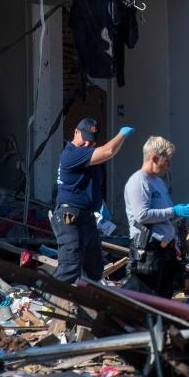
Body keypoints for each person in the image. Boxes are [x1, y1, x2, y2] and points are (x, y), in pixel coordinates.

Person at [53, 117, 134, 283]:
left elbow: (107, 156)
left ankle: (87, 305)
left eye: (91, 142)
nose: (87, 144)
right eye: (84, 139)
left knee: (94, 267)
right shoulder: (71, 154)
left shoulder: (87, 157)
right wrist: (121, 135)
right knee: (70, 264)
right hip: (70, 217)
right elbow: (108, 152)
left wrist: (99, 204)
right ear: (75, 132)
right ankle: (52, 303)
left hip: (87, 217)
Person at [123, 136, 189, 297]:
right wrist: (174, 211)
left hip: (165, 251)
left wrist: (183, 210)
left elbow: (163, 216)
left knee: (164, 298)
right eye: (167, 161)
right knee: (147, 301)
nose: (169, 165)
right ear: (155, 159)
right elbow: (142, 215)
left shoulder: (158, 182)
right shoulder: (138, 181)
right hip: (148, 251)